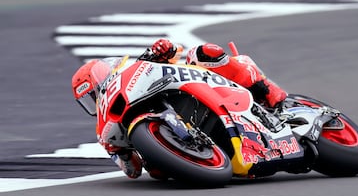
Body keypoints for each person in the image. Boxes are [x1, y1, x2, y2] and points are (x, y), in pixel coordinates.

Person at [71, 39, 287, 179]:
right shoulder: (105, 133)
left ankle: (267, 90)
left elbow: (174, 53)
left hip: (203, 91)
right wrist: (122, 154)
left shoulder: (139, 67)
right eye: (89, 100)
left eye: (94, 92)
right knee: (156, 173)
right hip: (180, 162)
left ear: (105, 76)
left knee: (204, 52)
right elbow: (132, 171)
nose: (95, 100)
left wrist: (164, 49)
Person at [151, 38, 287, 109]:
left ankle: (270, 92)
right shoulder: (178, 74)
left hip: (236, 100)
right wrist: (159, 54)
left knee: (251, 81)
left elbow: (211, 51)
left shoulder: (200, 61)